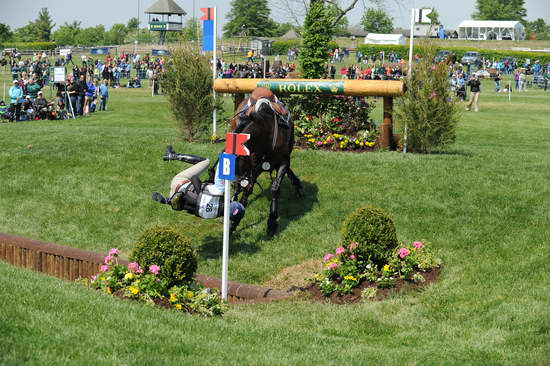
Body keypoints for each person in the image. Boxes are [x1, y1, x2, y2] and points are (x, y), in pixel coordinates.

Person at [152, 146, 245, 230]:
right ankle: (166, 200)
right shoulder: (211, 215)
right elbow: (193, 205)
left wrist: (229, 153)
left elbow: (194, 178)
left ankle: (172, 155)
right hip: (173, 197)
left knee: (206, 162)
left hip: (180, 181)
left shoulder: (219, 191)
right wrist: (209, 182)